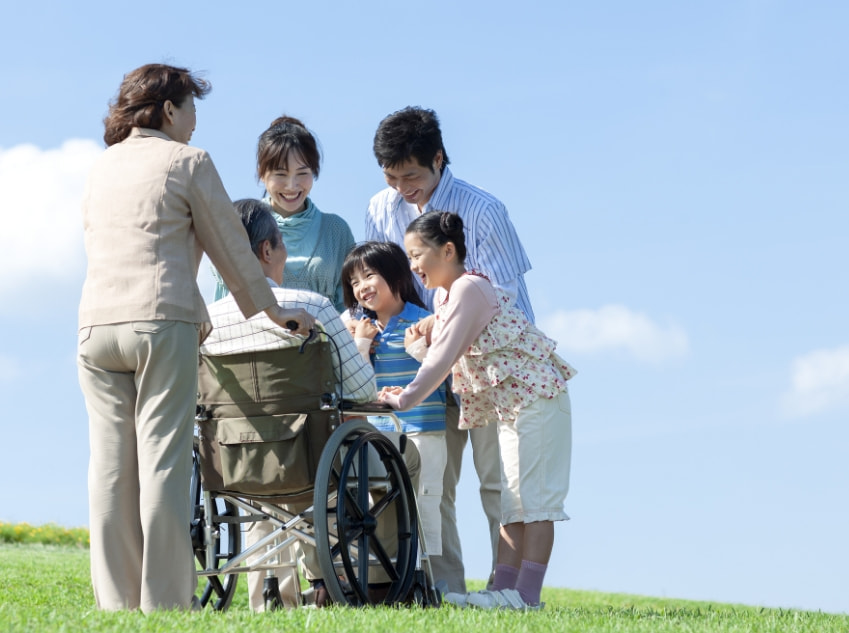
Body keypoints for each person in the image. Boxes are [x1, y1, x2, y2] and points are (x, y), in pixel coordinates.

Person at [77, 64, 314, 613]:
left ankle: (116, 604)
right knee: (161, 460)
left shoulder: (101, 167)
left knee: (110, 469)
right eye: (191, 111)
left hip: (94, 327)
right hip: (160, 323)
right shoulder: (188, 161)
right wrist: (274, 312)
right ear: (168, 110)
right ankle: (164, 603)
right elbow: (233, 246)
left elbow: (124, 246)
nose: (194, 124)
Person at [365, 106, 534, 593]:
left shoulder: (484, 210)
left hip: (487, 367)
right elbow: (383, 286)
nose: (402, 188)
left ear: (438, 158)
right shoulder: (381, 208)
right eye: (392, 177)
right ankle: (445, 591)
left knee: (497, 484)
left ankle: (508, 591)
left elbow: (507, 299)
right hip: (420, 365)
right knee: (430, 486)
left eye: (411, 175)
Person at [378, 211, 576, 609]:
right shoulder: (444, 297)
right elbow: (440, 355)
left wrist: (404, 399)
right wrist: (421, 343)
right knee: (512, 501)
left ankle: (526, 597)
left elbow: (442, 359)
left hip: (535, 398)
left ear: (448, 251)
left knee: (535, 502)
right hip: (510, 406)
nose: (413, 265)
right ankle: (503, 591)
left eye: (418, 255)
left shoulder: (469, 289)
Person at [203, 199, 375, 611]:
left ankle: (269, 599)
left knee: (266, 494)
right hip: (310, 457)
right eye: (282, 246)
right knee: (399, 461)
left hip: (234, 461)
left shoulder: (206, 322)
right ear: (267, 250)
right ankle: (363, 581)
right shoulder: (310, 306)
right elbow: (364, 389)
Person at [341, 241, 448, 558]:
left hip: (423, 430)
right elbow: (353, 384)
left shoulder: (425, 321)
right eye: (354, 282)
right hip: (377, 432)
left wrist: (419, 350)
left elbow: (445, 374)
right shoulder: (358, 328)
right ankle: (388, 577)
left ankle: (425, 577)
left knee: (424, 503)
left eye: (369, 276)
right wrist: (360, 344)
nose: (361, 288)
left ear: (396, 276)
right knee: (380, 504)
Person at [213, 115, 355, 312]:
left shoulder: (336, 230)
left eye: (303, 173)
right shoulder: (243, 223)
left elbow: (350, 306)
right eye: (280, 174)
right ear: (262, 174)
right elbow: (225, 302)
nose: (291, 186)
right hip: (260, 341)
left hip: (326, 340)